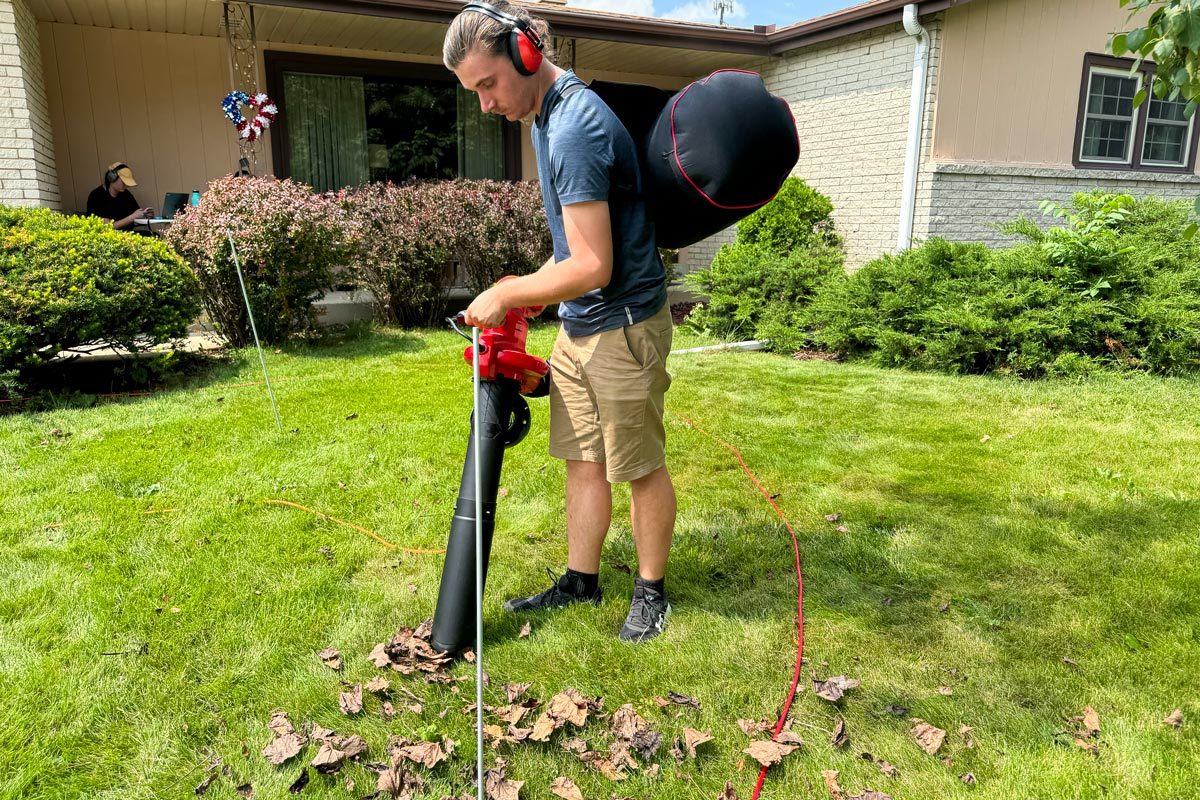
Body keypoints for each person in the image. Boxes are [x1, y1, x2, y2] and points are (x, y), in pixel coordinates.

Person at [444, 1, 677, 642]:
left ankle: (652, 591)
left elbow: (596, 264)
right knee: (583, 461)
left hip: (623, 325)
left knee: (637, 465)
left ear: (524, 54)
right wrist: (537, 288)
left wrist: (511, 290)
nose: (485, 104)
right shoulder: (543, 117)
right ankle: (581, 580)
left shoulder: (574, 125)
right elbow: (576, 244)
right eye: (474, 92)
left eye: (488, 84)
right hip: (581, 326)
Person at [86, 162, 152, 232]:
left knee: (154, 235)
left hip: (128, 234)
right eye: (124, 182)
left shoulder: (126, 194)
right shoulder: (97, 196)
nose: (126, 185)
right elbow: (106, 227)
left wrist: (145, 214)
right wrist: (132, 217)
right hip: (111, 238)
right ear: (112, 178)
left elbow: (136, 213)